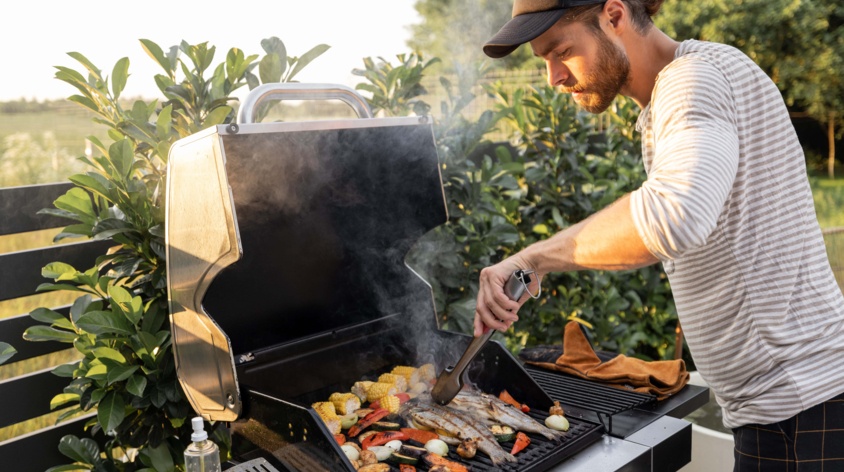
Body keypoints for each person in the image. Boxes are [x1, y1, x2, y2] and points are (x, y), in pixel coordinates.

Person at [476, 0, 844, 470]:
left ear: (614, 15)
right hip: (794, 406)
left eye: (562, 51)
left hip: (799, 408)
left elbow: (676, 214)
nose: (554, 77)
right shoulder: (697, 76)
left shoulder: (691, 80)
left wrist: (533, 259)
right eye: (544, 60)